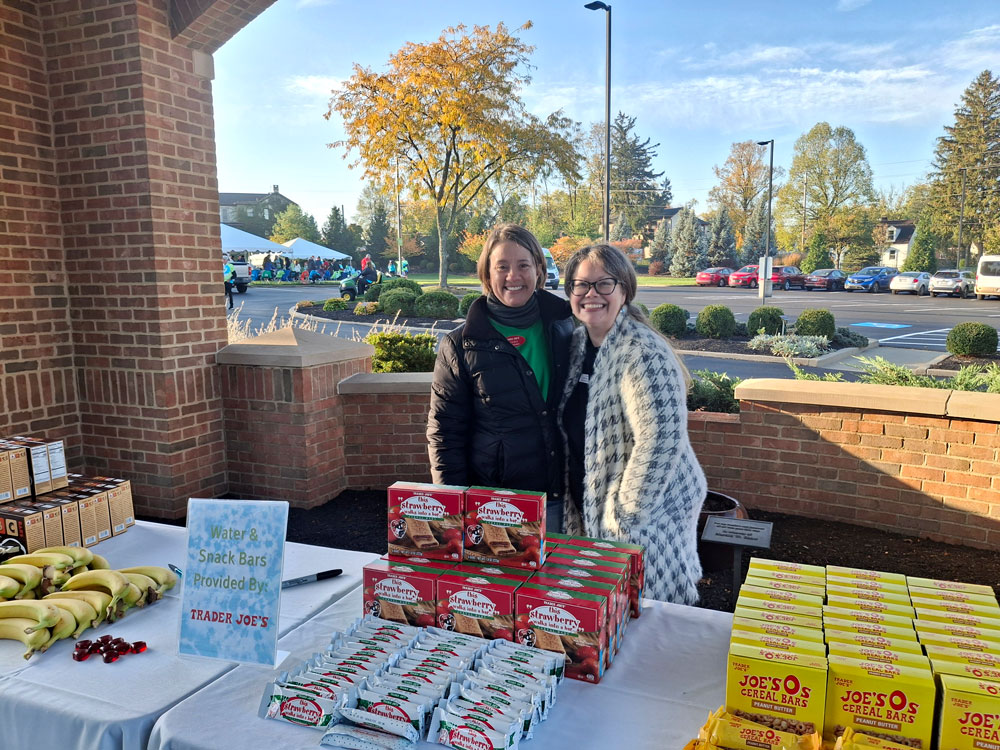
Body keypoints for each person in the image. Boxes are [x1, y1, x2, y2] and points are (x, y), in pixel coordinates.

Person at [558, 244, 706, 604]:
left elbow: (660, 440)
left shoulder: (642, 352)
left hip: (650, 511)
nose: (591, 294)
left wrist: (624, 517)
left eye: (604, 284)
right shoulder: (578, 344)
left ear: (624, 290)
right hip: (597, 502)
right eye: (581, 285)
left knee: (649, 610)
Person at [427, 223, 573, 532]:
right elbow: (445, 433)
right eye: (502, 267)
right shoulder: (459, 345)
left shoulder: (567, 327)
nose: (513, 276)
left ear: (539, 270)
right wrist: (452, 505)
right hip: (498, 506)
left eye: (523, 265)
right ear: (486, 274)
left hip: (565, 497)